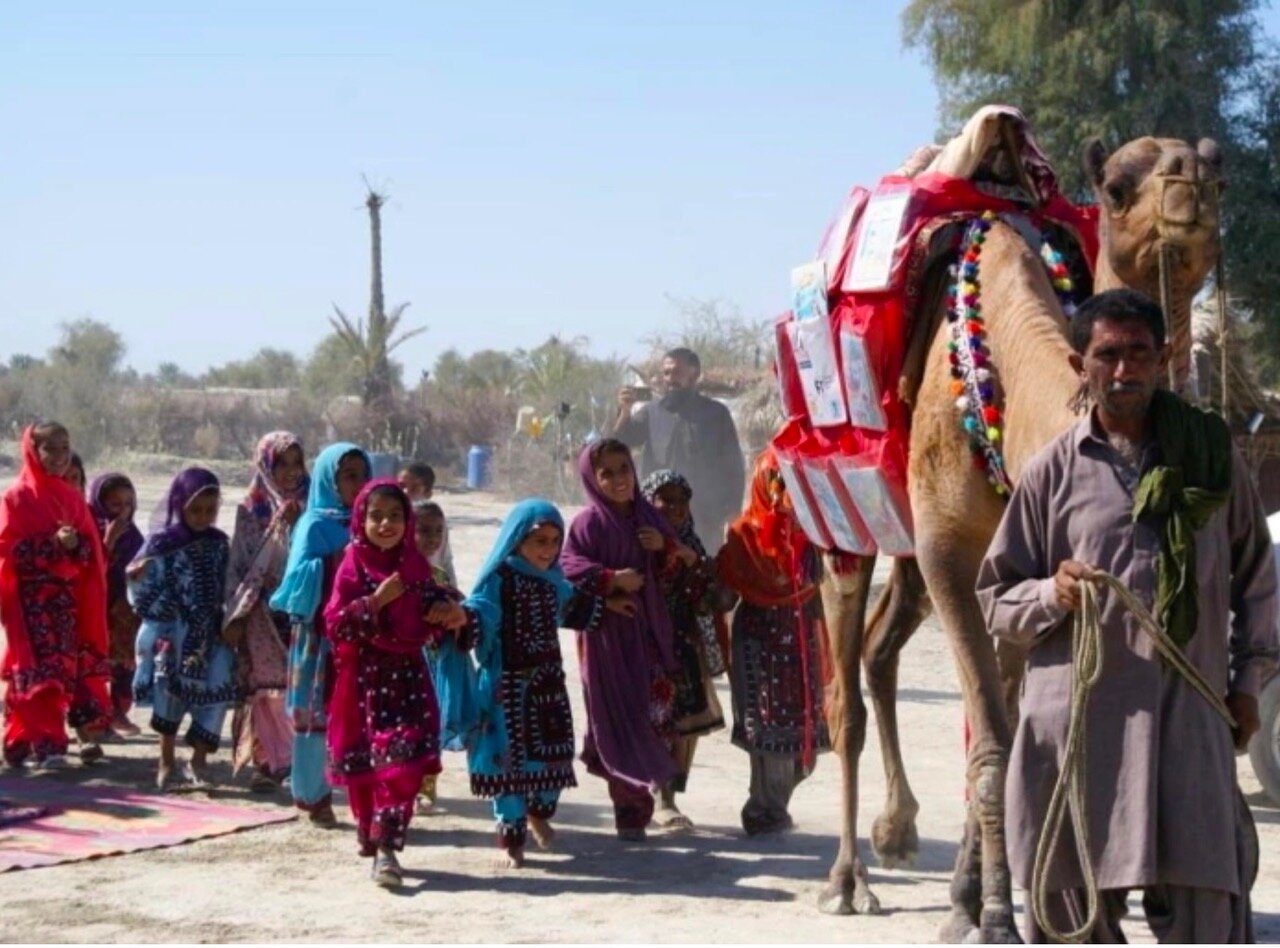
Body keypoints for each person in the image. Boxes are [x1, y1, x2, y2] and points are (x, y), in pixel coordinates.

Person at [975, 289, 1279, 943]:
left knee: (1207, 914)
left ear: (1163, 358)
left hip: (1189, 716)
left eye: (1138, 353)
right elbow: (996, 598)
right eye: (1106, 355)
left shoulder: (1211, 458)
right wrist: (1050, 593)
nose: (1123, 371)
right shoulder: (1051, 473)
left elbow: (1258, 584)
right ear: (1077, 362)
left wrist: (1250, 685)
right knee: (1068, 919)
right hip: (1079, 731)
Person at [459, 498, 624, 867]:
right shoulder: (499, 580)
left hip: (547, 688)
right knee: (509, 767)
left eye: (554, 541)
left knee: (552, 760)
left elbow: (573, 607)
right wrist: (461, 622)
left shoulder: (553, 581)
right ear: (518, 539)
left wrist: (609, 606)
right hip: (505, 692)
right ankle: (512, 838)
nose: (548, 550)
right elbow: (478, 612)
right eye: (540, 541)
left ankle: (538, 813)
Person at [322, 479, 466, 888]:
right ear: (361, 519)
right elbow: (334, 624)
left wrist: (449, 613)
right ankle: (374, 839)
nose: (386, 523)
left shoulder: (416, 567)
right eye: (377, 515)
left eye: (396, 515)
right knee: (370, 769)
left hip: (408, 681)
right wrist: (376, 602)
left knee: (402, 766)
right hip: (363, 685)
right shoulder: (352, 564)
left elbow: (437, 609)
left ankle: (387, 849)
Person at [561, 439, 696, 840]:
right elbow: (567, 569)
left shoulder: (648, 517)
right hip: (607, 641)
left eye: (624, 469)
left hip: (651, 636)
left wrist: (664, 548)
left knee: (653, 718)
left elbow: (684, 566)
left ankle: (648, 802)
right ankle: (629, 812)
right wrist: (611, 581)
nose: (619, 480)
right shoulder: (588, 524)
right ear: (591, 478)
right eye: (607, 473)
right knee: (614, 716)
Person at [717, 448, 831, 836]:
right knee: (764, 728)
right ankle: (763, 808)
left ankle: (770, 802)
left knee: (804, 742)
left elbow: (829, 586)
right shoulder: (741, 536)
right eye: (777, 483)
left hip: (801, 638)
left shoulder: (814, 535)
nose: (785, 496)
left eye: (792, 485)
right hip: (758, 643)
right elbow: (722, 595)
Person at [270, 442, 370, 827]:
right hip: (319, 637)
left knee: (358, 714)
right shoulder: (313, 524)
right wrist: (339, 559)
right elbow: (296, 585)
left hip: (359, 635)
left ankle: (359, 788)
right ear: (330, 480)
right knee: (313, 718)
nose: (359, 484)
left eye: (363, 475)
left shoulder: (371, 520)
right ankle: (313, 795)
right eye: (349, 476)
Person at [0, 423, 111, 769]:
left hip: (67, 603)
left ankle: (20, 739)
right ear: (33, 451)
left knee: (60, 670)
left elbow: (90, 554)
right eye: (52, 449)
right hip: (29, 603)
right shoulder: (15, 498)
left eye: (65, 449)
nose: (60, 457)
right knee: (41, 671)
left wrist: (76, 546)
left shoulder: (70, 497)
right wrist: (51, 545)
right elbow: (7, 551)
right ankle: (50, 744)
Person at [130, 468, 234, 790]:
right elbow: (139, 591)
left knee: (217, 693)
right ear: (179, 505)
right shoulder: (160, 545)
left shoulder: (219, 544)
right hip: (172, 635)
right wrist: (139, 577)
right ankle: (166, 760)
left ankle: (199, 760)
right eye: (195, 510)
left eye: (210, 510)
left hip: (211, 635)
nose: (203, 517)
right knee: (169, 694)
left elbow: (228, 584)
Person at [640, 469, 726, 829]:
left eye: (681, 501)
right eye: (665, 499)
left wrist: (694, 565)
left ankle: (668, 796)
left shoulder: (691, 542)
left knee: (683, 725)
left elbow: (712, 597)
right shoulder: (638, 540)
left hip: (685, 646)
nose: (673, 507)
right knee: (654, 719)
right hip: (646, 646)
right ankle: (653, 797)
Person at [223, 432, 308, 792]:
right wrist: (236, 613)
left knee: (296, 686)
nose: (290, 472)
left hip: (301, 607)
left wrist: (297, 521)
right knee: (263, 689)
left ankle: (292, 760)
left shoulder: (315, 503)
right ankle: (263, 761)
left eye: (296, 463)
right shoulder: (250, 507)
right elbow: (240, 561)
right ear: (265, 465)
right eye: (281, 464)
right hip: (259, 609)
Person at [610, 347, 745, 554]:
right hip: (657, 514)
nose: (670, 379)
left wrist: (733, 508)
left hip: (704, 515)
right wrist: (625, 411)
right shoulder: (651, 412)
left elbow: (733, 464)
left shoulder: (716, 414)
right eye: (666, 373)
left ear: (694, 374)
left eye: (677, 373)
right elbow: (618, 443)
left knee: (702, 570)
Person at [410, 499, 470, 814]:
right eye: (423, 530)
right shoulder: (399, 572)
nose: (432, 538)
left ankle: (427, 788)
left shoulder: (441, 573)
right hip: (407, 663)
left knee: (432, 723)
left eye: (438, 531)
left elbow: (458, 607)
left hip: (436, 663)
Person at [88, 473, 144, 738]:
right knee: (99, 664)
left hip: (126, 612)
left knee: (125, 664)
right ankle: (98, 717)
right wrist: (107, 542)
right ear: (99, 504)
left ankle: (119, 711)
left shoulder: (134, 537)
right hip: (97, 607)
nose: (123, 511)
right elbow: (90, 568)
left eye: (127, 504)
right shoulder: (90, 531)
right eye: (114, 505)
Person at [399, 462, 457, 584]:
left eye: (414, 488)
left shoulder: (437, 521)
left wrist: (450, 591)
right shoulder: (394, 523)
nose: (405, 492)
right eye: (401, 486)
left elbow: (443, 561)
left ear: (428, 494)